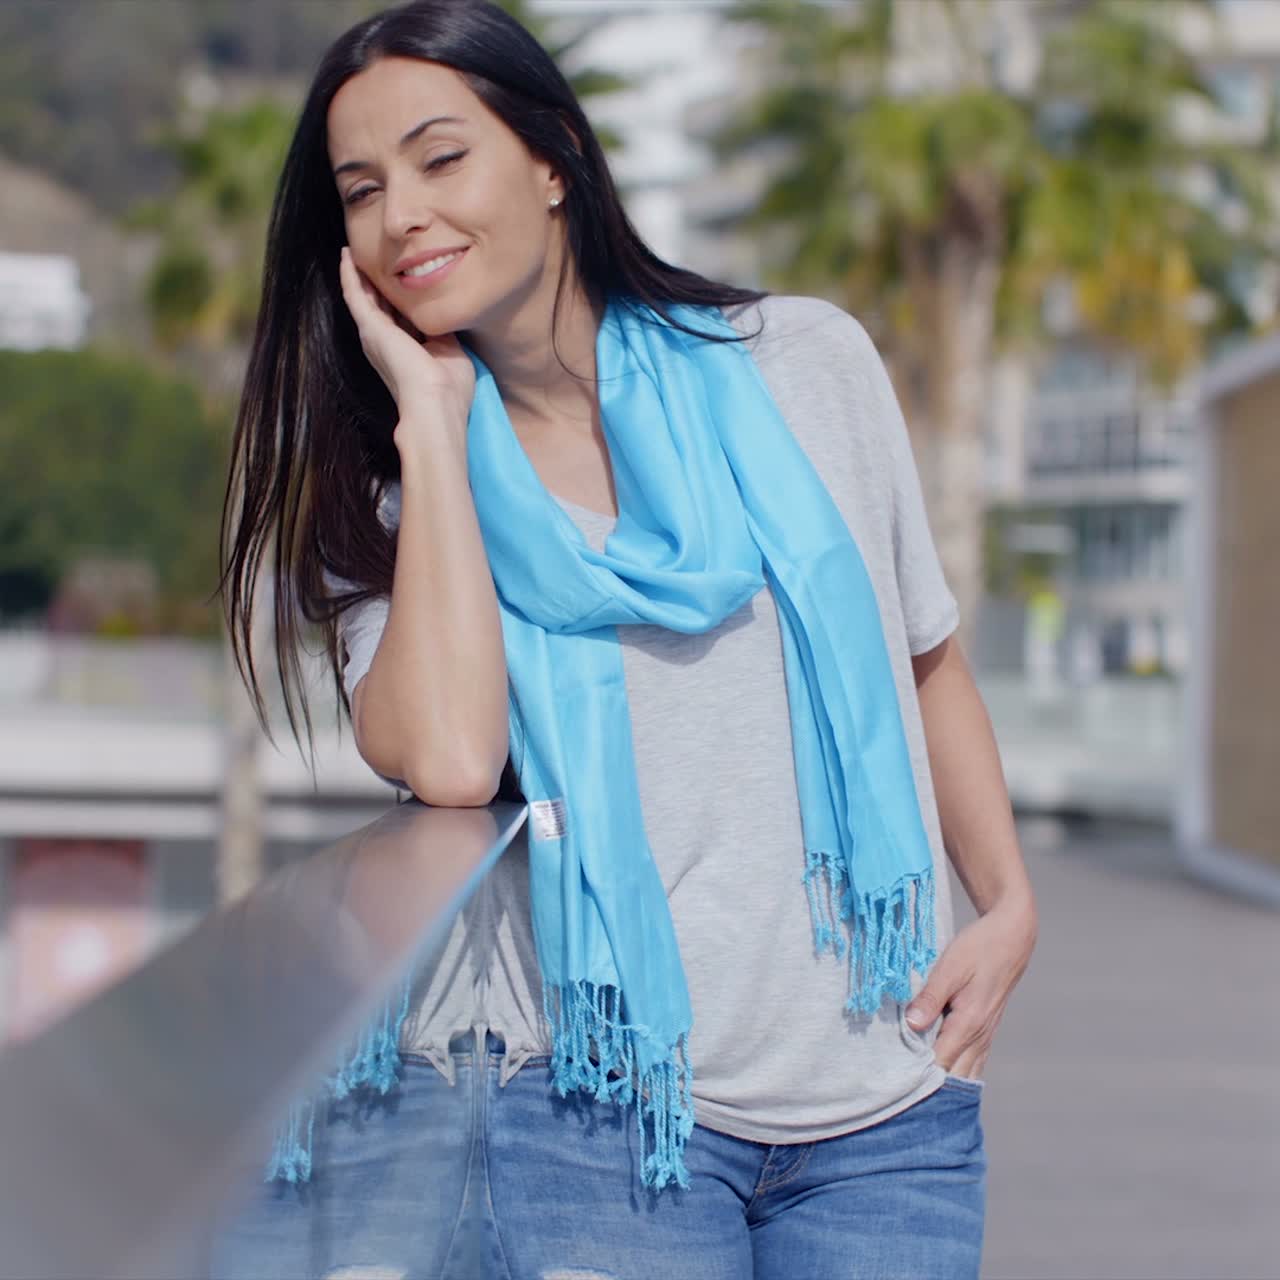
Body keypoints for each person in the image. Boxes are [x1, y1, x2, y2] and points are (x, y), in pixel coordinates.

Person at [211, 2, 1039, 1276]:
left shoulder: (803, 363)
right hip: (598, 1111)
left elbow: (920, 659)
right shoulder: (391, 501)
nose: (402, 215)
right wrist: (431, 419)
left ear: (555, 159)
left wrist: (1009, 902)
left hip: (889, 1113)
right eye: (361, 191)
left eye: (441, 159)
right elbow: (449, 757)